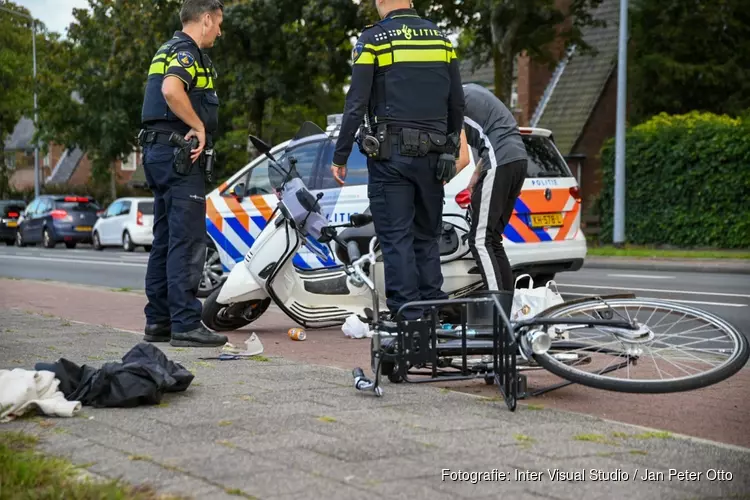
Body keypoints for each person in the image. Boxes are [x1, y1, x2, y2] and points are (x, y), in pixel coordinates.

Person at [330, 0, 465, 321]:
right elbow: (456, 102)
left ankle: (408, 317)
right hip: (435, 158)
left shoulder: (375, 39)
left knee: (396, 237)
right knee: (427, 236)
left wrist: (340, 154)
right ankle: (433, 307)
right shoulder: (441, 40)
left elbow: (357, 101)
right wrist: (450, 149)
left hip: (392, 156)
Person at [138, 0, 227, 347]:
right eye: (218, 24)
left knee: (164, 240)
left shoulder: (166, 49)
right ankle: (187, 324)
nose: (220, 31)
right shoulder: (186, 52)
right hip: (180, 154)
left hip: (158, 153)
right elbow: (171, 90)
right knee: (187, 240)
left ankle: (159, 321)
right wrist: (198, 126)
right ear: (205, 20)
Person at [454, 83, 528, 292]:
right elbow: (493, 137)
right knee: (493, 239)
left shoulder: (453, 101)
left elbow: (462, 159)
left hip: (499, 161)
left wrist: (434, 185)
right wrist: (474, 181)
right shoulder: (475, 90)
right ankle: (508, 309)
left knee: (479, 241)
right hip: (518, 160)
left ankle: (497, 308)